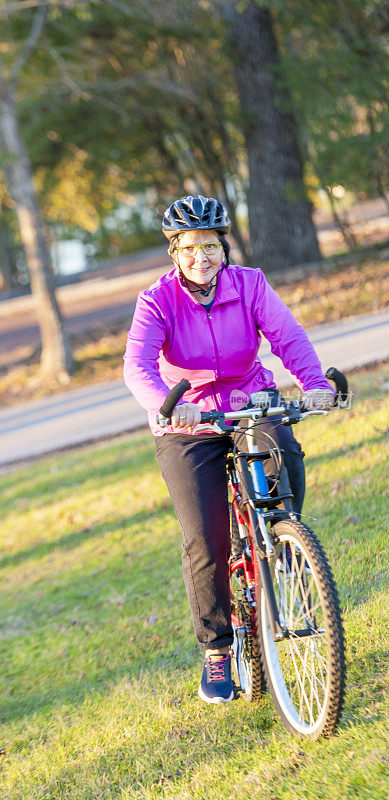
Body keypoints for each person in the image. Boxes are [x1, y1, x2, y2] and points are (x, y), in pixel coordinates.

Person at [123, 195, 334, 704]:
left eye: (212, 246)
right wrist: (167, 406)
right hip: (188, 423)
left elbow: (287, 335)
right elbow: (138, 367)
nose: (203, 257)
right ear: (175, 252)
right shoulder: (156, 301)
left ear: (224, 246)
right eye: (191, 247)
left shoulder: (251, 284)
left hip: (248, 403)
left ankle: (284, 545)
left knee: (284, 455)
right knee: (205, 537)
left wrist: (313, 382)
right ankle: (217, 651)